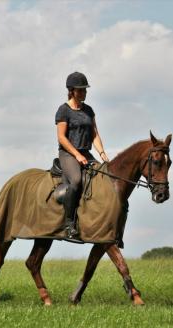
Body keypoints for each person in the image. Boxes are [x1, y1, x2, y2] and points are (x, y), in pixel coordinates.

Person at [55, 72, 110, 240]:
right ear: (72, 91)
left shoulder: (88, 110)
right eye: (81, 90)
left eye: (85, 90)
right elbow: (61, 137)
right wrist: (77, 155)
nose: (84, 93)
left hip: (86, 153)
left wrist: (102, 153)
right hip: (68, 153)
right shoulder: (63, 110)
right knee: (77, 180)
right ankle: (69, 224)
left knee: (104, 177)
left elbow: (94, 134)